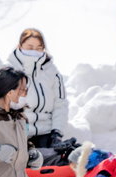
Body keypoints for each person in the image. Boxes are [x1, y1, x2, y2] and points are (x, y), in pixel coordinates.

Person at [6, 28, 73, 164]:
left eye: (39, 48)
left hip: (46, 134)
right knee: (27, 157)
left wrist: (56, 133)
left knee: (67, 153)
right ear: (20, 46)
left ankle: (51, 156)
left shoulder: (52, 73)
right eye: (29, 47)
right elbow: (3, 106)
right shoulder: (8, 72)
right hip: (20, 135)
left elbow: (60, 104)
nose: (34, 52)